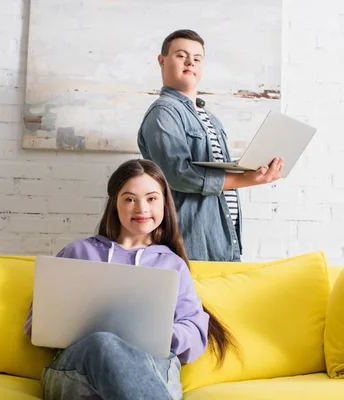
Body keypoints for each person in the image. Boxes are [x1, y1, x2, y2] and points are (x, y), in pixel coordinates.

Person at [24, 159, 234, 400]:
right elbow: (35, 325)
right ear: (115, 203)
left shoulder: (172, 265)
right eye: (130, 199)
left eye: (152, 198)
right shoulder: (78, 253)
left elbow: (194, 335)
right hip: (77, 370)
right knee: (103, 344)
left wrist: (154, 333)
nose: (141, 208)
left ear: (165, 203)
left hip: (153, 368)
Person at [138, 29, 284, 262]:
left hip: (223, 237)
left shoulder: (211, 119)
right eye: (181, 55)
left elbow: (217, 173)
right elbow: (178, 174)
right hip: (192, 241)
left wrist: (255, 170)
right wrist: (246, 179)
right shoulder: (163, 112)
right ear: (162, 61)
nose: (190, 62)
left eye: (197, 58)